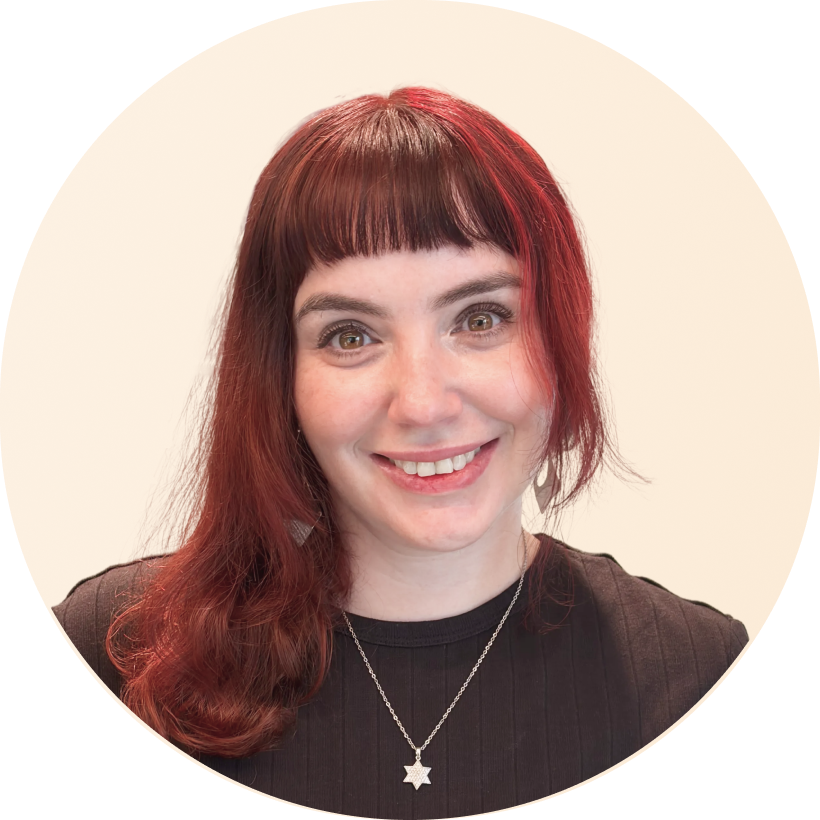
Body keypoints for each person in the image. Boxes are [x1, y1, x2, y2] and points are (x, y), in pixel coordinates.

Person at [53, 87, 747, 817]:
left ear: (561, 338)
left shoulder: (694, 677)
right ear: (280, 374)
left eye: (481, 319)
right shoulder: (115, 655)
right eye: (350, 335)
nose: (422, 403)